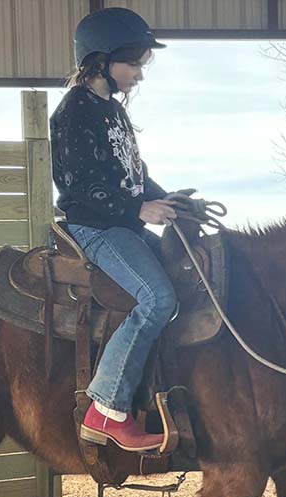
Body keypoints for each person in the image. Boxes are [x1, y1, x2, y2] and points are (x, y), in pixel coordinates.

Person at [50, 7, 181, 452]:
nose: (138, 75)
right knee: (157, 297)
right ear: (100, 61)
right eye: (133, 64)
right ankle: (105, 410)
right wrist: (139, 209)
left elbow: (134, 175)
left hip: (123, 219)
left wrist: (172, 201)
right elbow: (79, 186)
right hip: (95, 227)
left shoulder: (115, 114)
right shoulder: (73, 113)